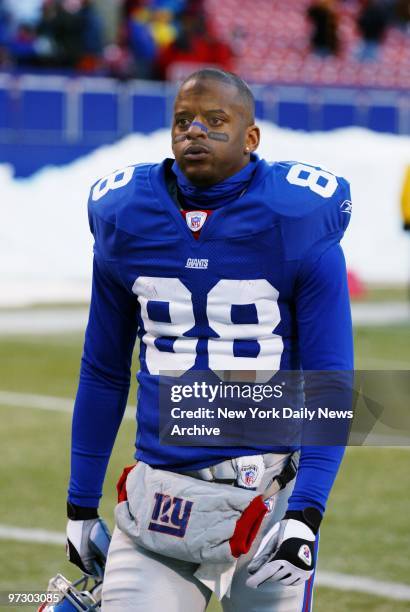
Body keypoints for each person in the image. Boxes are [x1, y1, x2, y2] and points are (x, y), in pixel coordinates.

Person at [65, 68, 353, 611]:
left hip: (270, 497)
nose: (194, 131)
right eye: (182, 121)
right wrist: (80, 504)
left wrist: (306, 514)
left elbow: (330, 383)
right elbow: (103, 371)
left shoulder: (298, 216)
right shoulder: (126, 215)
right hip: (162, 495)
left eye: (214, 120)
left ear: (251, 137)